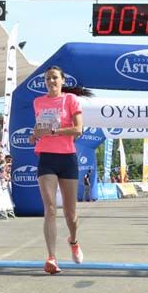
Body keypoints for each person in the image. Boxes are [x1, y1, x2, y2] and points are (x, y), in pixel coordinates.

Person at [32, 66, 91, 273]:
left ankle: (73, 240)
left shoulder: (70, 100)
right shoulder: (38, 102)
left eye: (55, 78)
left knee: (70, 214)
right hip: (46, 157)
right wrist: (35, 135)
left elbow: (78, 130)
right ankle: (51, 258)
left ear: (62, 80)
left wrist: (54, 131)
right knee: (49, 208)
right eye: (48, 78)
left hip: (67, 158)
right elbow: (38, 129)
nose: (51, 81)